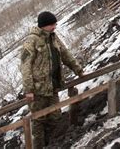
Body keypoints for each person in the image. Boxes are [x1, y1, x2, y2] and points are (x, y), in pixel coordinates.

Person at [20, 11, 83, 149]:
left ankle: (55, 145)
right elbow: (25, 65)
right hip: (38, 90)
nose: (55, 27)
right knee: (39, 122)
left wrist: (78, 69)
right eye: (52, 24)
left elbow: (65, 54)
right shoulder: (32, 40)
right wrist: (29, 89)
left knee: (55, 118)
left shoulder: (53, 38)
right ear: (44, 25)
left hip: (53, 87)